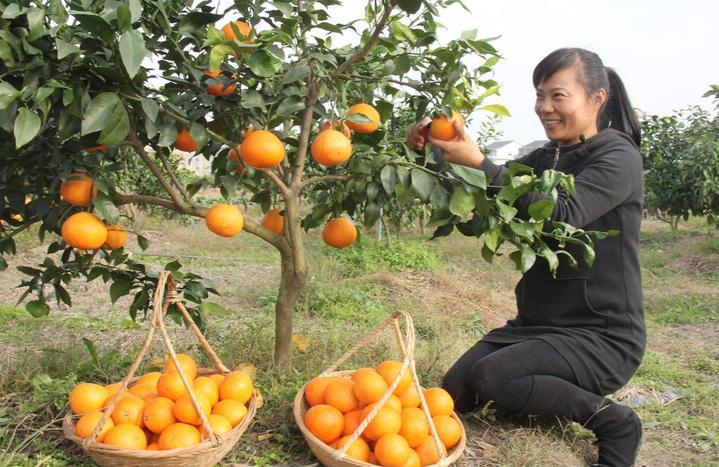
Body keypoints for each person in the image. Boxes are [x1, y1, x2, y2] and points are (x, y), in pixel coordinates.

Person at [406, 48, 645, 467]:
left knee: (496, 376)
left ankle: (615, 422)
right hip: (536, 325)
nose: (545, 108)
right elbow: (484, 189)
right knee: (456, 390)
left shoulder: (617, 156)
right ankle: (537, 400)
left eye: (558, 96)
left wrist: (481, 162)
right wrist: (435, 150)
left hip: (600, 334)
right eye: (539, 96)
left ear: (597, 98)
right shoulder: (544, 157)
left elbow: (563, 215)